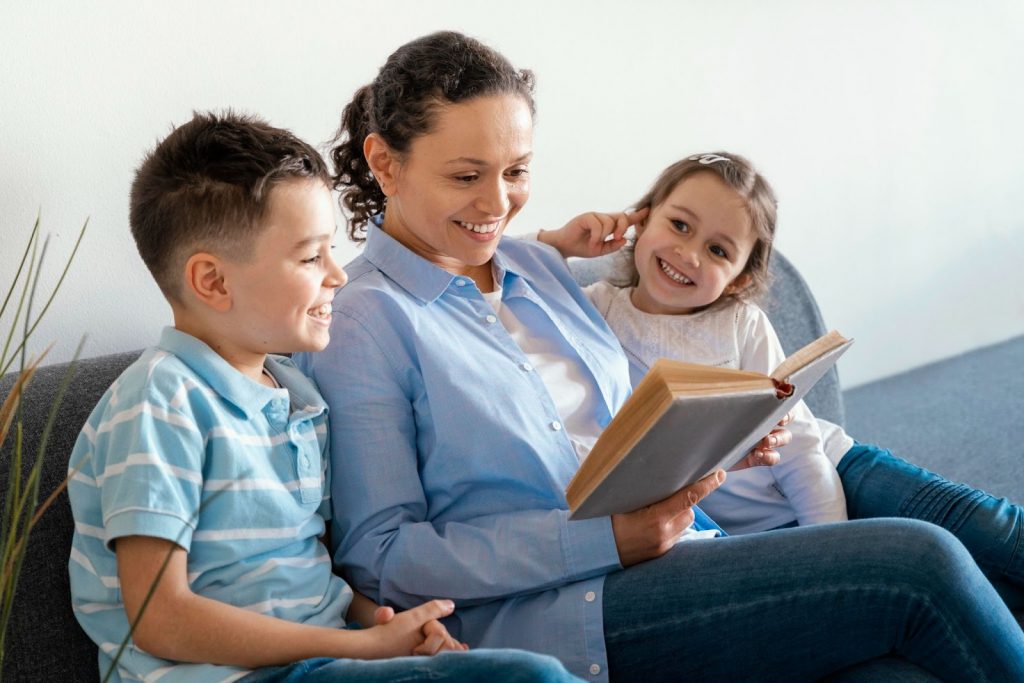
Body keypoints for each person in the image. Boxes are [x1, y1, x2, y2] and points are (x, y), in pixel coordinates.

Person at [295, 31, 1024, 682]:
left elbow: (611, 432)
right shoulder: (365, 320)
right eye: (466, 175)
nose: (499, 201)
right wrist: (602, 540)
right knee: (920, 563)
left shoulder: (537, 268)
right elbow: (382, 555)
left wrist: (723, 441)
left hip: (686, 545)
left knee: (963, 584)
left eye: (516, 170)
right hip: (564, 606)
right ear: (384, 163)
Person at [66, 111, 583, 683]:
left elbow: (306, 574)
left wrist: (389, 626)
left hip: (325, 661)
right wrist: (364, 649)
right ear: (213, 281)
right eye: (311, 257)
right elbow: (158, 618)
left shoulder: (297, 396)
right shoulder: (159, 401)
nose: (338, 274)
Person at [537, 150, 1024, 608]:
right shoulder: (593, 310)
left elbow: (800, 451)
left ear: (741, 278)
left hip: (834, 471)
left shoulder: (741, 325)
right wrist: (556, 245)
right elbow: (502, 294)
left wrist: (831, 549)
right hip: (755, 535)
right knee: (948, 581)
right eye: (679, 224)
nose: (689, 254)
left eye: (718, 250)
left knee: (988, 527)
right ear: (641, 218)